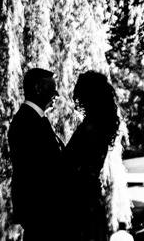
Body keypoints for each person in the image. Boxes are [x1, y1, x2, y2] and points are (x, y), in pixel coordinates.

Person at [62, 71, 121, 241]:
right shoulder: (101, 125)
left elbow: (70, 164)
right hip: (91, 197)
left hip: (80, 200)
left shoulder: (89, 129)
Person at [8, 67, 64, 241]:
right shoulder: (27, 122)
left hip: (41, 209)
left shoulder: (35, 119)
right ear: (38, 88)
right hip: (40, 209)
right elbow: (40, 167)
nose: (57, 94)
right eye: (52, 88)